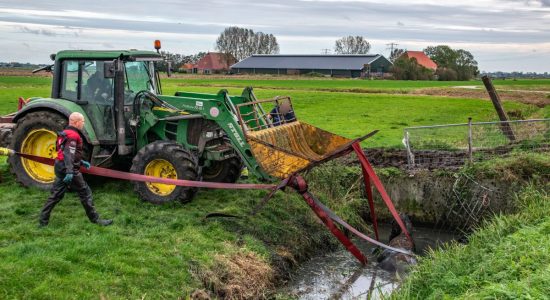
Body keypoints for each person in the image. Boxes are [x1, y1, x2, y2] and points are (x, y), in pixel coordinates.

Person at [39, 112, 112, 227]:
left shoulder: (65, 133)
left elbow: (63, 151)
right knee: (85, 192)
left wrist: (81, 162)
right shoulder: (73, 135)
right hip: (68, 168)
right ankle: (96, 220)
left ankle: (42, 221)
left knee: (56, 194)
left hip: (60, 166)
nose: (83, 124)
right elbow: (68, 154)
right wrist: (69, 171)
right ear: (77, 122)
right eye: (83, 122)